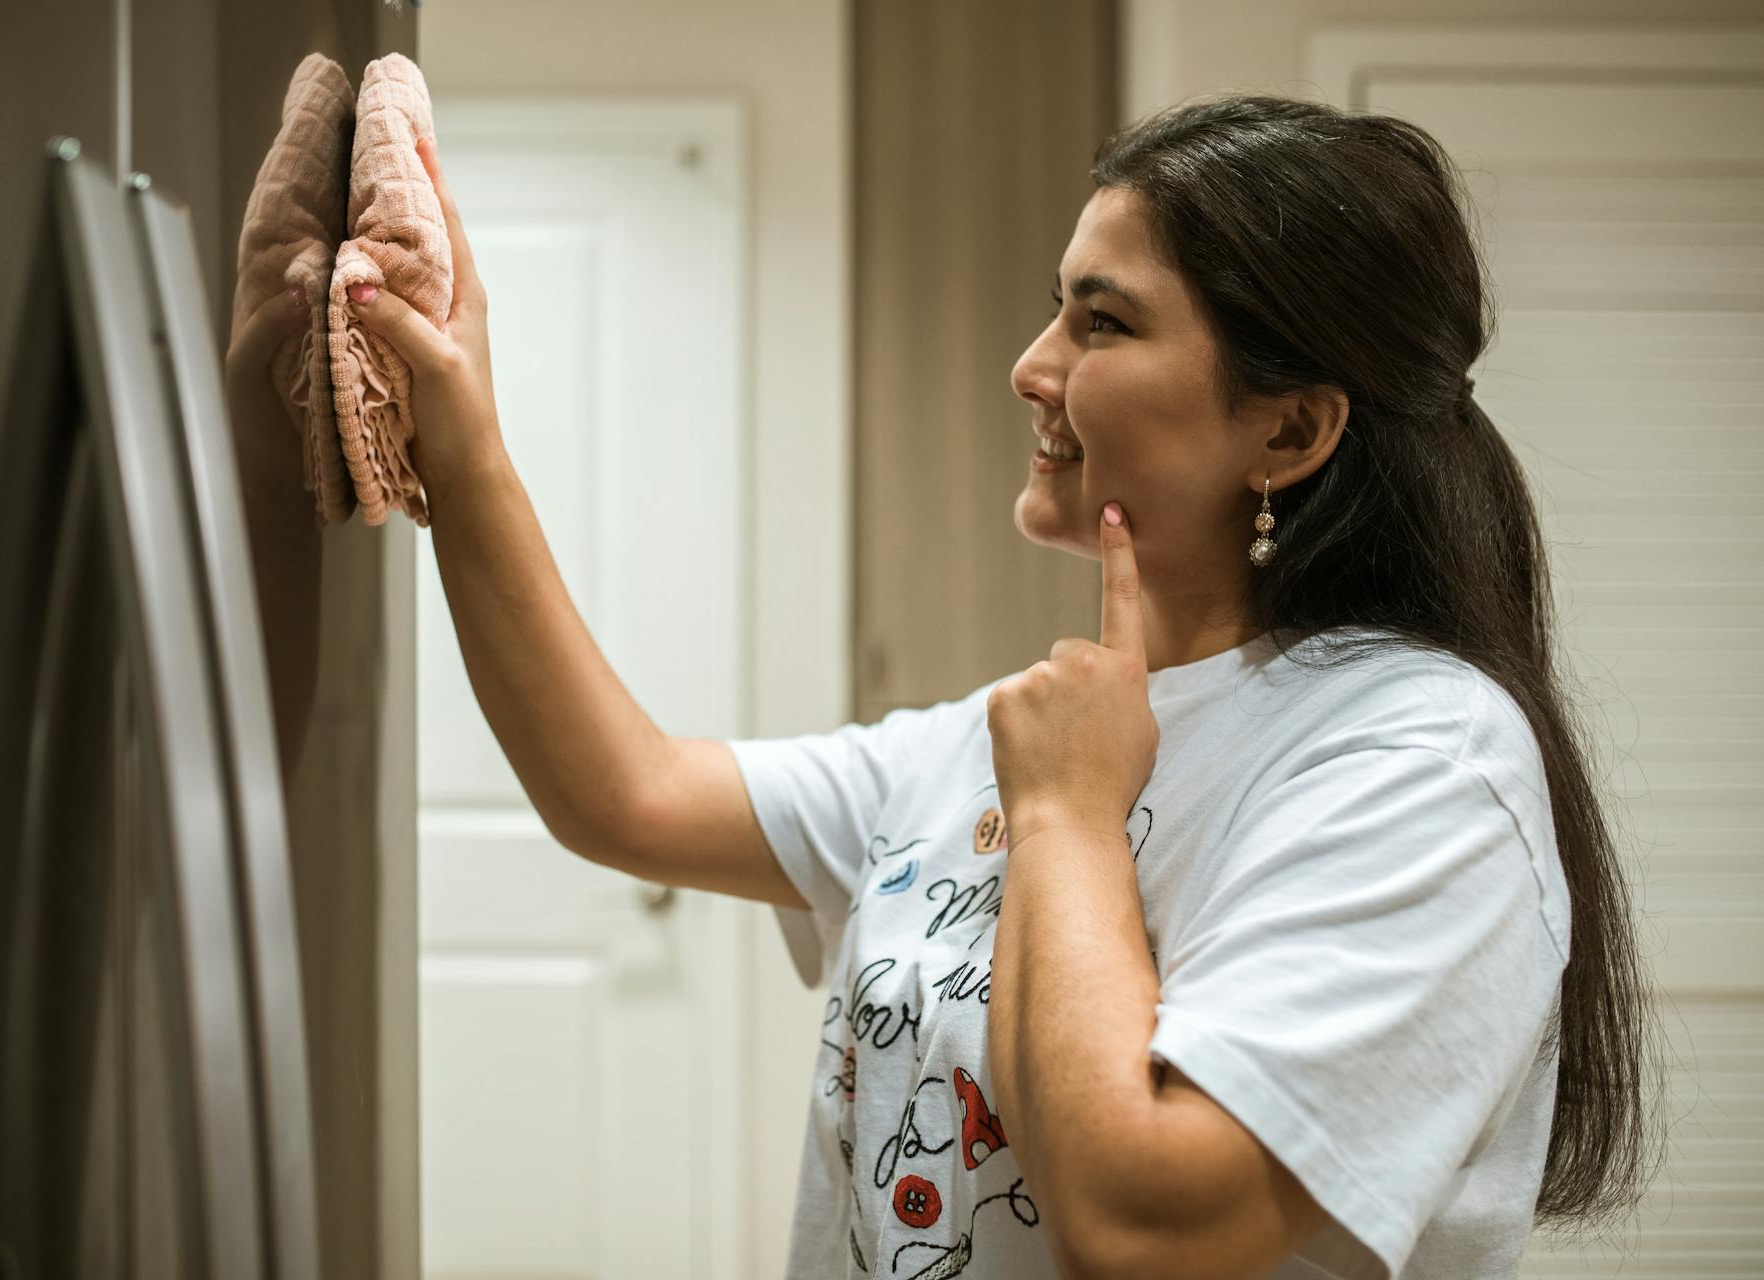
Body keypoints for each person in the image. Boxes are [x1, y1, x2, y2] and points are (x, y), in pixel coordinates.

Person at [345, 94, 1660, 1279]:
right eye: (1058, 309)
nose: (1032, 366)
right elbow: (624, 795)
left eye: (1104, 322)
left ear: (1291, 427)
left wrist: (1068, 819)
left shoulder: (1421, 766)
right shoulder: (1027, 732)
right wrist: (462, 446)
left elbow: (1146, 1230)